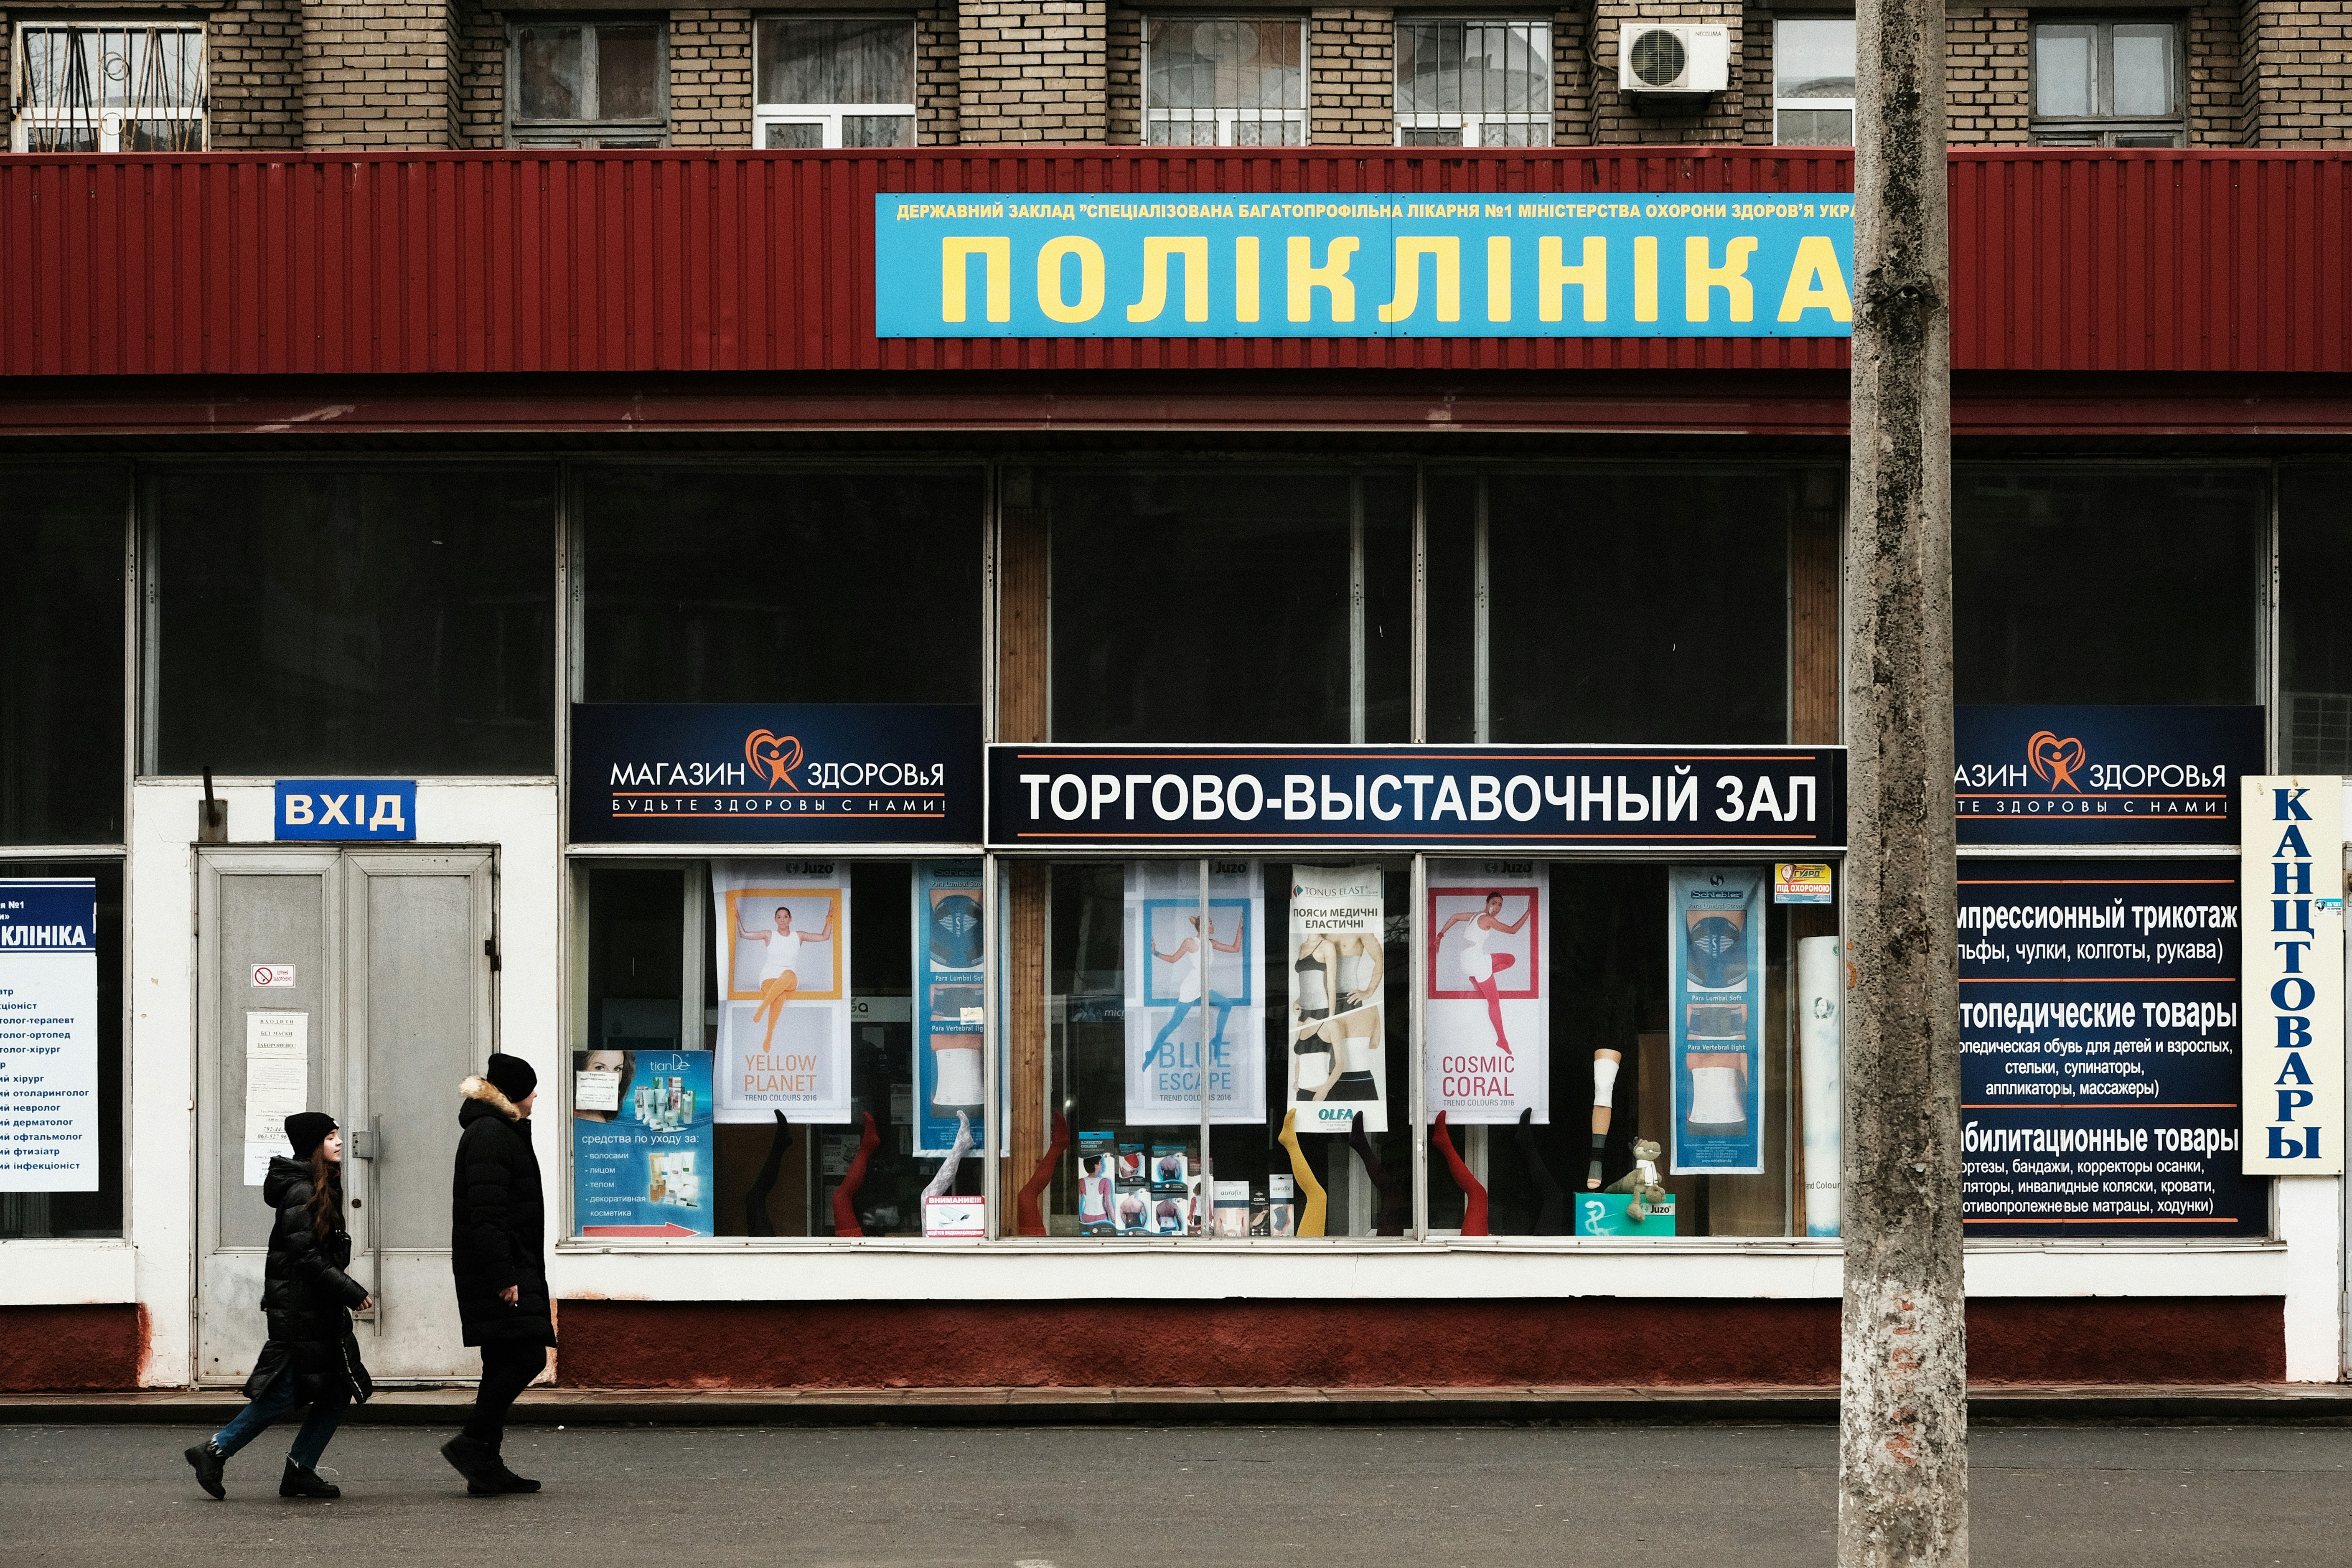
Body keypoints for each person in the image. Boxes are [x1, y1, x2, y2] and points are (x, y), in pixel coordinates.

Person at [183, 1111, 373, 1501]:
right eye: (331, 1137)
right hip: (301, 1310)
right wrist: (351, 1291)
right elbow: (306, 1257)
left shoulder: (320, 1185)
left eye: (337, 1135)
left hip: (315, 1307)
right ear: (313, 1145)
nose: (339, 1142)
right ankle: (214, 1450)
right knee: (286, 1389)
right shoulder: (302, 1191)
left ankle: (300, 1470)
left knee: (337, 1388)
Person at [441, 1052, 556, 1496]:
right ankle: (473, 1443)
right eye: (530, 1088)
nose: (536, 1096)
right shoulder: (491, 1134)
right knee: (527, 1357)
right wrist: (503, 1275)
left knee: (502, 1361)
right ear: (513, 1094)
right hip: (502, 1268)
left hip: (507, 1263)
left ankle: (486, 1463)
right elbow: (487, 1215)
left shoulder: (499, 1130)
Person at [1436, 891, 1531, 1055]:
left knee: (1509, 960)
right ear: (1487, 903)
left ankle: (1476, 979)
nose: (1497, 908)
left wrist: (1441, 934)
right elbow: (1513, 930)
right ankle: (1502, 1040)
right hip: (1476, 961)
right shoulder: (1487, 919)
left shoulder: (1476, 915)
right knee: (1494, 1002)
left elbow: (1456, 917)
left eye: (1500, 905)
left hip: (1466, 962)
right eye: (1494, 903)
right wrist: (1529, 911)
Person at [738, 901, 834, 1053]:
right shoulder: (769, 935)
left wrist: (829, 917)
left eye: (785, 917)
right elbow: (744, 934)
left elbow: (824, 937)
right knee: (780, 995)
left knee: (788, 975)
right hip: (768, 977)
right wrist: (738, 918)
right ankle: (769, 1036)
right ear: (775, 920)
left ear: (791, 919)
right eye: (779, 917)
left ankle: (762, 1008)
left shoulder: (799, 936)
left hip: (789, 978)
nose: (782, 920)